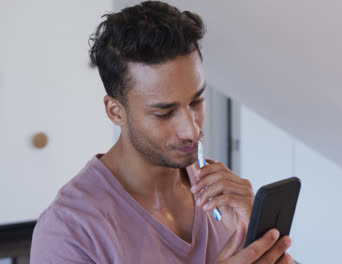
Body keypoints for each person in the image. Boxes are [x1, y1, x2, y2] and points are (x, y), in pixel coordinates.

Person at [30, 1, 293, 263]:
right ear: (115, 112)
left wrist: (260, 237)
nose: (192, 129)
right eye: (164, 113)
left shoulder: (223, 199)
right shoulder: (69, 231)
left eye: (197, 101)